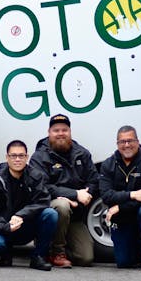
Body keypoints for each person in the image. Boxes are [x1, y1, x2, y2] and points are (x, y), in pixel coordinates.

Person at [29, 114, 101, 268]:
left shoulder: (82, 153)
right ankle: (57, 252)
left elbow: (94, 179)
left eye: (64, 130)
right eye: (56, 130)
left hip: (75, 216)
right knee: (61, 206)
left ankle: (48, 243)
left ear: (70, 132)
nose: (60, 133)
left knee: (86, 258)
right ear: (49, 132)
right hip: (51, 210)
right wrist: (75, 194)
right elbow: (43, 187)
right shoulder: (39, 157)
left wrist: (87, 193)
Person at [0, 140, 58, 271]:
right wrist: (6, 227)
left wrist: (21, 215)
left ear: (27, 157)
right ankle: (6, 252)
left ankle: (38, 256)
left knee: (51, 214)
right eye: (13, 156)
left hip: (25, 226)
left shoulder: (36, 176)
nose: (17, 159)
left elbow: (43, 201)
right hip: (2, 228)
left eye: (21, 156)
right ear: (7, 157)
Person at [98, 126, 141, 272]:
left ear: (138, 141)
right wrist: (133, 195)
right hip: (123, 217)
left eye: (130, 141)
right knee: (123, 262)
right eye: (122, 141)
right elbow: (105, 195)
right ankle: (136, 246)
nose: (126, 145)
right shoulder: (109, 164)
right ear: (117, 144)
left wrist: (120, 206)